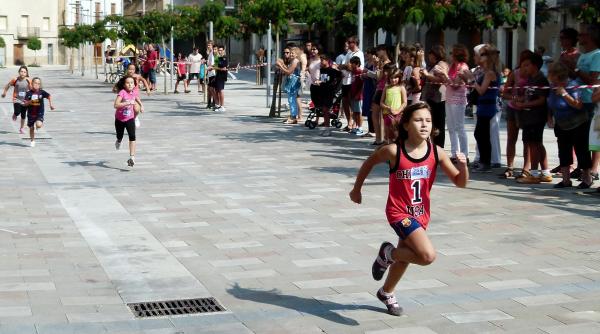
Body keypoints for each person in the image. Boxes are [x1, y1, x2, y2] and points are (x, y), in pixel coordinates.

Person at [349, 101, 468, 316]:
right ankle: (388, 253)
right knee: (426, 256)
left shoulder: (437, 152)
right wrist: (356, 189)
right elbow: (368, 163)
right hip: (398, 212)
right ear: (405, 125)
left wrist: (464, 167)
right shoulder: (394, 151)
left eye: (428, 121)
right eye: (418, 120)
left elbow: (460, 182)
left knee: (407, 255)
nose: (424, 125)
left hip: (421, 213)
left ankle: (386, 292)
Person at [546, 62, 593, 188]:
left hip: (578, 122)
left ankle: (587, 178)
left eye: (553, 76)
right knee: (563, 150)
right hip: (561, 123)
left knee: (581, 150)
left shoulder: (573, 85)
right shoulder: (552, 86)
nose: (551, 79)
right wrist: (549, 117)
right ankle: (566, 180)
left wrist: (564, 94)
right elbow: (549, 103)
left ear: (560, 76)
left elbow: (578, 105)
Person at [513, 53, 552, 184]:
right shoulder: (530, 79)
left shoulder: (540, 79)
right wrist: (520, 99)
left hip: (536, 117)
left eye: (527, 65)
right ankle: (545, 172)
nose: (524, 68)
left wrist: (525, 104)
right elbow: (530, 96)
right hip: (528, 117)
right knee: (535, 143)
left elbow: (541, 100)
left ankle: (534, 173)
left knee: (534, 145)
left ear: (535, 66)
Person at [462, 44, 501, 172]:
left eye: (481, 54)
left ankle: (486, 163)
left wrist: (472, 79)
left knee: (482, 134)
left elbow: (481, 90)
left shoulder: (490, 73)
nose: (477, 57)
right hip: (482, 106)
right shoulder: (484, 71)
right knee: (480, 134)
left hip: (488, 106)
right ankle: (484, 162)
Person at [501, 50, 534, 178]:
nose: (525, 66)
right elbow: (505, 93)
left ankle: (526, 168)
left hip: (527, 110)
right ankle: (510, 166)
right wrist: (514, 97)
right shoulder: (515, 73)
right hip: (513, 108)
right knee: (511, 138)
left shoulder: (534, 75)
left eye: (527, 63)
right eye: (523, 62)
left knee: (527, 141)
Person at [576, 23, 600, 181]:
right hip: (579, 100)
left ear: (590, 37)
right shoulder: (583, 55)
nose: (580, 37)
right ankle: (583, 168)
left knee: (593, 137)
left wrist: (576, 71)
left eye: (583, 34)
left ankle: (594, 169)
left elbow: (593, 79)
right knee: (581, 138)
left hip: (591, 101)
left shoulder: (597, 55)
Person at [445, 44, 470, 163]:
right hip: (449, 99)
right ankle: (455, 152)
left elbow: (455, 85)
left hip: (458, 100)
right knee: (451, 127)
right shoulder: (452, 66)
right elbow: (449, 82)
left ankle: (464, 153)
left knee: (459, 127)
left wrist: (444, 76)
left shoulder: (463, 67)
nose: (450, 56)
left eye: (452, 54)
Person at [420, 45, 449, 148]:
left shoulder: (441, 64)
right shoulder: (431, 65)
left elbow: (440, 79)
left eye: (431, 55)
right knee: (432, 123)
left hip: (439, 99)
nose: (429, 57)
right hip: (430, 98)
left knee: (439, 123)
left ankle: (439, 146)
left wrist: (427, 75)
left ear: (436, 54)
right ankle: (432, 145)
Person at [113, 75, 144, 167]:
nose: (130, 84)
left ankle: (132, 158)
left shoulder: (134, 92)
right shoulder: (122, 92)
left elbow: (137, 98)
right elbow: (116, 105)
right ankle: (118, 141)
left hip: (130, 118)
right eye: (128, 83)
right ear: (124, 84)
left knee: (132, 136)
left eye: (132, 83)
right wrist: (127, 103)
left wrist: (141, 105)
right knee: (120, 136)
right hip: (119, 119)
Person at [336, 36, 364, 132]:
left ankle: (357, 125)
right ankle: (349, 122)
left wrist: (345, 66)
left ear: (355, 43)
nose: (348, 44)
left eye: (350, 42)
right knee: (345, 102)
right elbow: (343, 65)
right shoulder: (349, 53)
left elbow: (353, 68)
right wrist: (344, 66)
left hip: (353, 82)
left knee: (354, 105)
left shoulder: (359, 54)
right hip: (345, 80)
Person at [314, 54, 342, 137]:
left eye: (322, 60)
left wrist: (335, 87)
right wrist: (319, 82)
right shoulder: (321, 70)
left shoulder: (332, 70)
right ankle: (326, 128)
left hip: (330, 93)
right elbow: (323, 80)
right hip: (323, 92)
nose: (321, 62)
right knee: (324, 110)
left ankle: (328, 129)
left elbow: (340, 76)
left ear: (327, 60)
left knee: (326, 110)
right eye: (320, 60)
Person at [23, 77, 54, 148]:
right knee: (31, 128)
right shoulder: (28, 93)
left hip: (39, 113)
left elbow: (49, 96)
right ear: (32, 83)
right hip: (31, 114)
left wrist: (51, 105)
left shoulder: (41, 92)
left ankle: (37, 125)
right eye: (35, 83)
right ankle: (32, 140)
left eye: (38, 83)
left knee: (39, 125)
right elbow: (25, 104)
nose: (37, 84)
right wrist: (30, 102)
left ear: (40, 85)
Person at [2, 66, 32, 134]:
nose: (23, 73)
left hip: (25, 100)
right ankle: (15, 114)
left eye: (24, 72)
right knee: (18, 112)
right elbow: (8, 85)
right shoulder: (15, 79)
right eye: (21, 71)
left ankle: (21, 128)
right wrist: (4, 92)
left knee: (23, 114)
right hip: (16, 99)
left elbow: (31, 90)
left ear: (26, 73)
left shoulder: (28, 80)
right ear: (19, 72)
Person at [380, 69, 407, 143]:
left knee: (397, 133)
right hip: (387, 114)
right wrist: (387, 108)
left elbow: (404, 102)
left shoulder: (401, 88)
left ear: (399, 78)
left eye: (395, 78)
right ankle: (389, 147)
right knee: (388, 134)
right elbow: (381, 102)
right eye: (391, 78)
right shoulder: (386, 88)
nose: (393, 80)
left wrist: (398, 111)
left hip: (398, 114)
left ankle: (398, 149)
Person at [277, 46, 301, 124]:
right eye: (290, 53)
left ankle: (293, 117)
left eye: (292, 53)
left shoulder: (295, 61)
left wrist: (280, 66)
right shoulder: (293, 61)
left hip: (293, 82)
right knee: (291, 99)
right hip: (292, 81)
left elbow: (289, 72)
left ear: (296, 54)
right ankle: (292, 115)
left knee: (292, 99)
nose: (290, 54)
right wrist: (283, 65)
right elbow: (287, 70)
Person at [361, 47, 378, 138]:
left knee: (372, 109)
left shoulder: (375, 64)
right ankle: (370, 129)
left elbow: (376, 75)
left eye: (368, 54)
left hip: (373, 87)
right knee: (368, 108)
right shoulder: (367, 63)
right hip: (367, 87)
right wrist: (363, 76)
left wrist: (367, 73)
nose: (366, 55)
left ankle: (374, 130)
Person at [348, 56, 365, 135]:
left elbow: (362, 85)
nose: (351, 65)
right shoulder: (353, 72)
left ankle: (360, 128)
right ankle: (357, 126)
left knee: (359, 112)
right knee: (354, 112)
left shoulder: (360, 72)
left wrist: (358, 94)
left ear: (357, 64)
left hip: (359, 96)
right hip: (352, 95)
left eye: (352, 63)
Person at [210, 45, 228, 112]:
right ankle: (218, 105)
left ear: (223, 50)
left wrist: (214, 68)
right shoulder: (219, 57)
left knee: (221, 90)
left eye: (221, 50)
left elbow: (224, 69)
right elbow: (217, 66)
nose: (220, 51)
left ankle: (222, 106)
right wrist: (212, 67)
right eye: (219, 50)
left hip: (222, 76)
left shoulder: (224, 58)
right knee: (214, 89)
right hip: (218, 75)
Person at [206, 40, 216, 109]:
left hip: (213, 73)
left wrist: (209, 68)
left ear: (212, 45)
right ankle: (209, 103)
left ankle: (214, 102)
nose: (208, 46)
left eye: (209, 45)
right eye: (208, 45)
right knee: (209, 89)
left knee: (212, 89)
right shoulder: (210, 53)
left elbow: (213, 64)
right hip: (209, 74)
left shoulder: (212, 53)